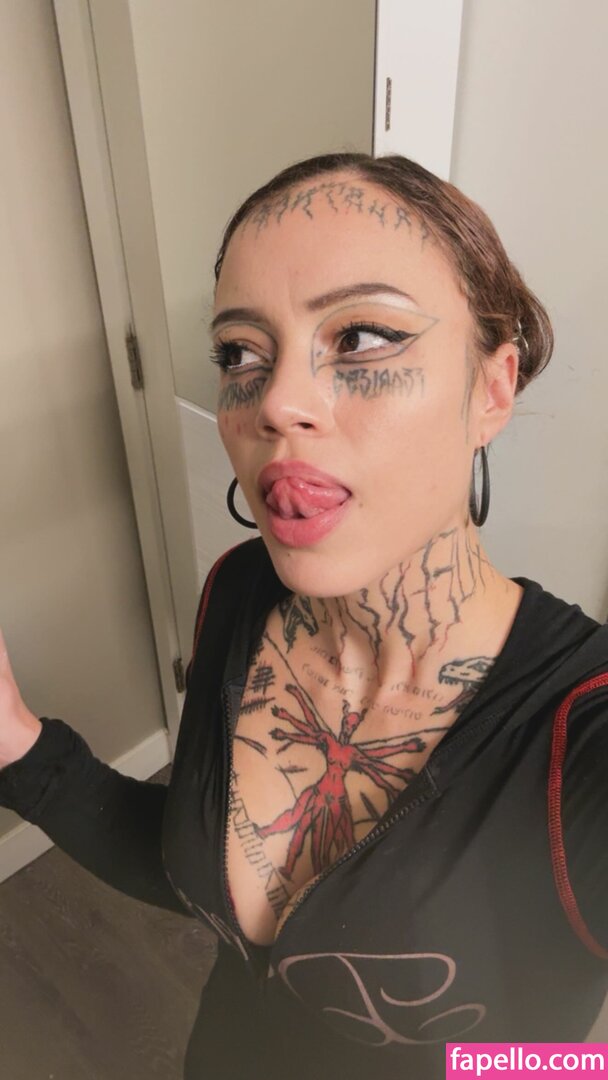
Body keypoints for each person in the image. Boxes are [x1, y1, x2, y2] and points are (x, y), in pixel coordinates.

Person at [1, 152, 607, 1080]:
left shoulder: (582, 745)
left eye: (361, 337)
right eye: (240, 355)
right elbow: (199, 877)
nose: (275, 403)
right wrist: (16, 745)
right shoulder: (239, 592)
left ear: (492, 389)